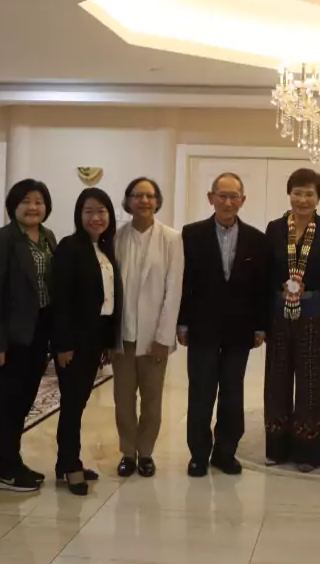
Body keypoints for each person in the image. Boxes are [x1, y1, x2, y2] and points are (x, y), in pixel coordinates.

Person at [179, 173, 270, 477]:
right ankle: (198, 454)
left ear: (242, 200)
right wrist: (182, 323)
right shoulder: (191, 235)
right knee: (201, 392)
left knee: (233, 393)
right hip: (202, 328)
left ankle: (226, 452)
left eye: (234, 197)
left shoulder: (257, 239)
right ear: (211, 198)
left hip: (239, 330)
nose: (228, 202)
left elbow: (261, 288)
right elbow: (185, 282)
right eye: (223, 196)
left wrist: (260, 326)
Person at [263, 169, 320, 472]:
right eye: (297, 193)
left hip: (314, 313)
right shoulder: (275, 228)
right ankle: (278, 447)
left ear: (318, 198)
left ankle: (308, 451)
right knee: (277, 378)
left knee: (311, 382)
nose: (302, 199)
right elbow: (264, 272)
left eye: (309, 194)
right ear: (289, 194)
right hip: (279, 312)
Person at [0, 178, 57, 492]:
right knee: (7, 403)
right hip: (12, 336)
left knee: (24, 400)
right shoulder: (3, 239)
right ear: (13, 205)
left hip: (39, 332)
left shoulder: (48, 237)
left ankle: (13, 460)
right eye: (25, 201)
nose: (32, 207)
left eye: (38, 201)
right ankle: (3, 470)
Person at [51, 188, 121, 496]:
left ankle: (64, 463)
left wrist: (108, 342)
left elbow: (109, 299)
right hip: (74, 342)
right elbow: (61, 299)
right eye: (89, 211)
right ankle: (71, 465)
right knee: (71, 405)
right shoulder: (70, 247)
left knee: (77, 403)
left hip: (95, 339)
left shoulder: (105, 248)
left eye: (102, 211)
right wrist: (63, 344)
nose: (96, 217)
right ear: (79, 215)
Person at [113, 177, 183, 479]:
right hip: (122, 335)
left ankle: (146, 453)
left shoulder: (172, 239)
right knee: (123, 399)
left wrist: (164, 337)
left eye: (150, 196)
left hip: (155, 335)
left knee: (152, 400)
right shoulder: (116, 237)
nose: (144, 201)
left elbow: (173, 290)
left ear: (157, 201)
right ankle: (128, 452)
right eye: (137, 195)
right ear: (128, 201)